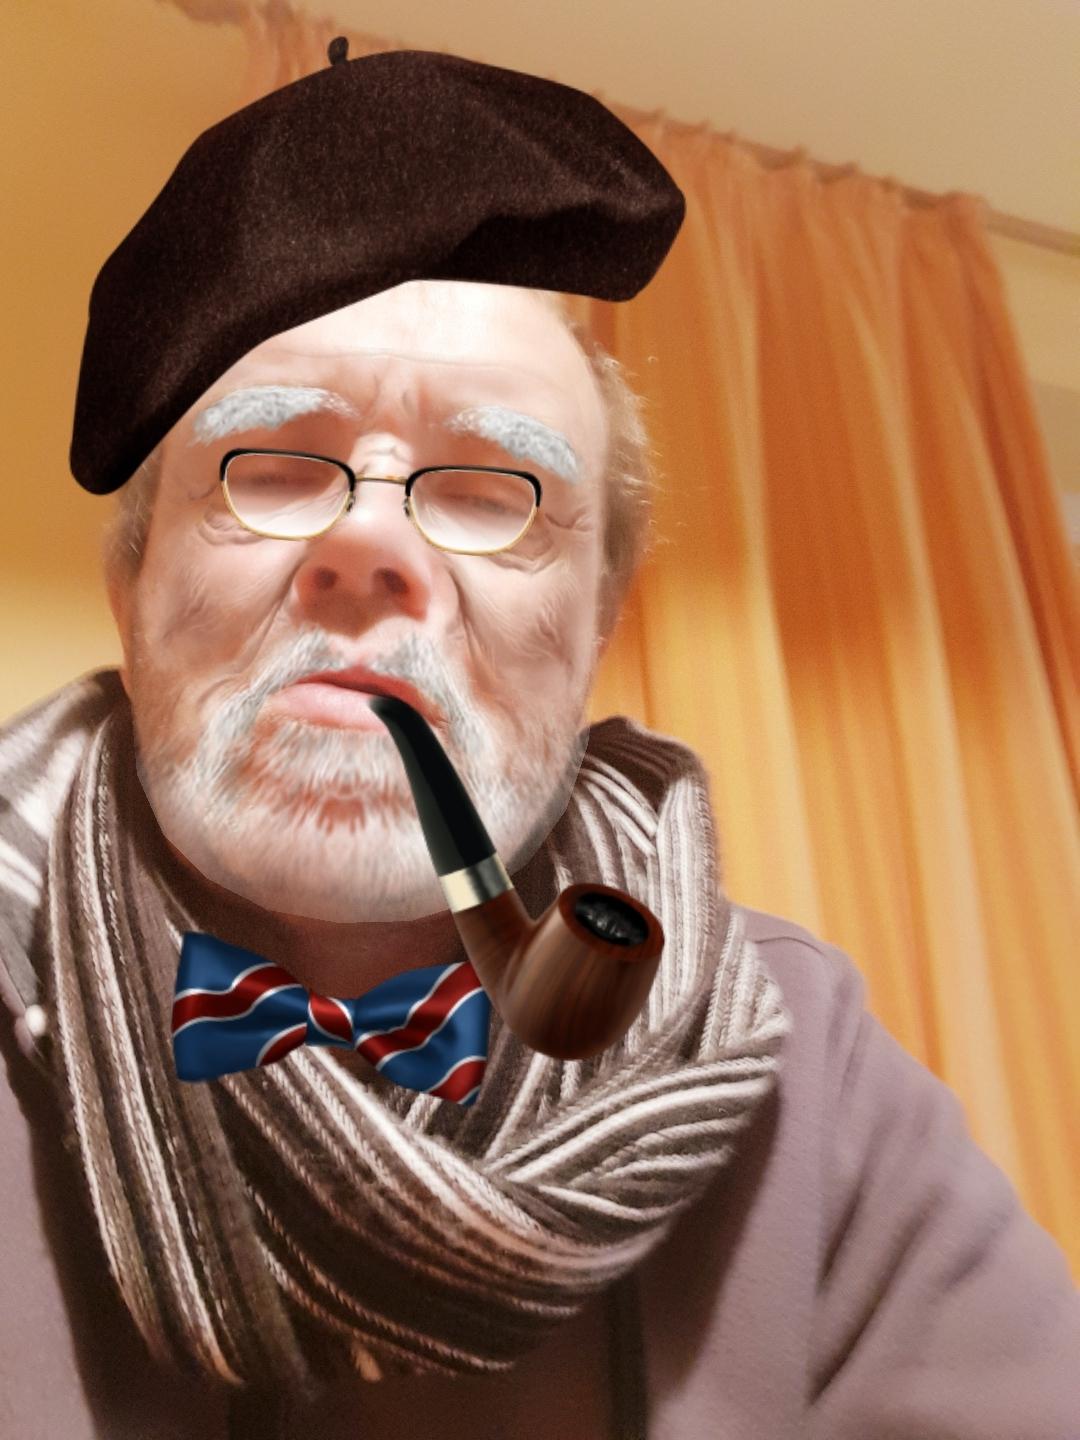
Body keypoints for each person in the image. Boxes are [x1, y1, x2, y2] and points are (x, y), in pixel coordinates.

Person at [2, 43, 1078, 1440]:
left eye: (490, 488)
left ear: (597, 622)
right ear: (131, 585)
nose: (371, 545)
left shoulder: (806, 1072)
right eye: (269, 466)